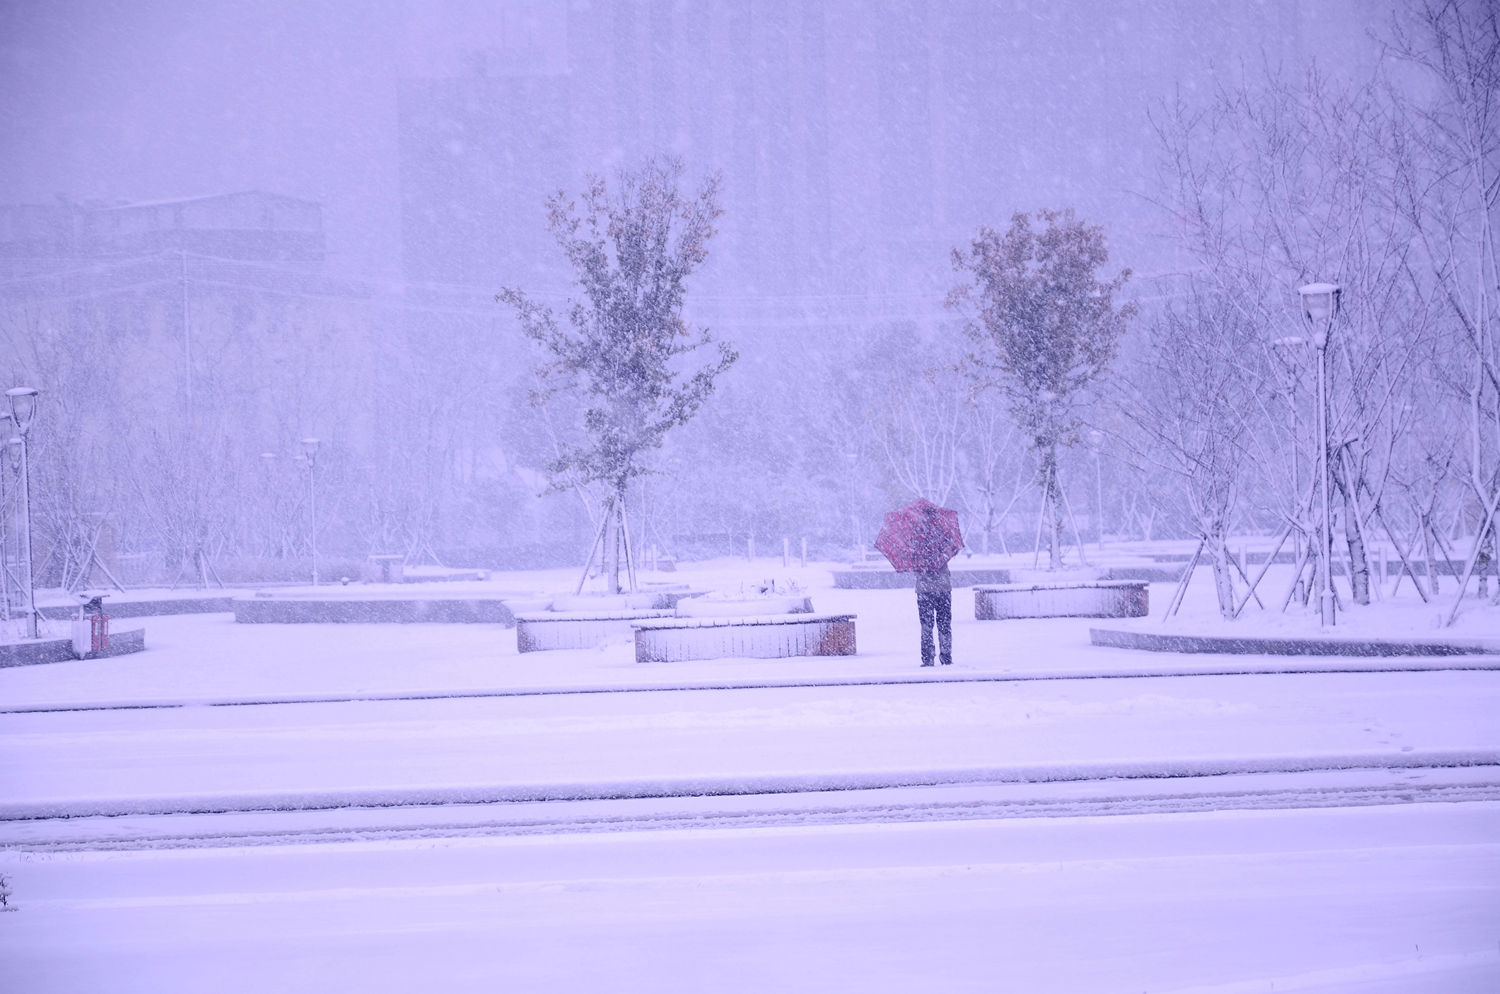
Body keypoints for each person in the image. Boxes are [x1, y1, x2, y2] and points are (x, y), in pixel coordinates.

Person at [914, 564, 953, 667]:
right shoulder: (942, 550)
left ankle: (928, 658)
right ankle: (946, 656)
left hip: (924, 590)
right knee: (944, 625)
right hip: (943, 589)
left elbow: (916, 570)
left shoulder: (917, 553)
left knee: (926, 626)